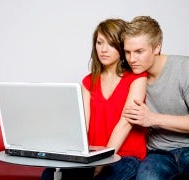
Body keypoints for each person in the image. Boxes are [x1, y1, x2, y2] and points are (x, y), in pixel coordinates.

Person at [121, 16, 189, 180]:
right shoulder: (132, 78)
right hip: (158, 154)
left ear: (157, 48)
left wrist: (153, 119)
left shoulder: (185, 67)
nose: (132, 59)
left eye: (139, 52)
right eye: (127, 52)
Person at [41, 18, 147, 180]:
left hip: (125, 155)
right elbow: (83, 124)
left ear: (121, 46)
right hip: (92, 155)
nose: (103, 49)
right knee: (50, 174)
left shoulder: (137, 78)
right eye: (99, 42)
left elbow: (125, 123)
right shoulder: (88, 81)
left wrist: (102, 163)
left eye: (111, 44)